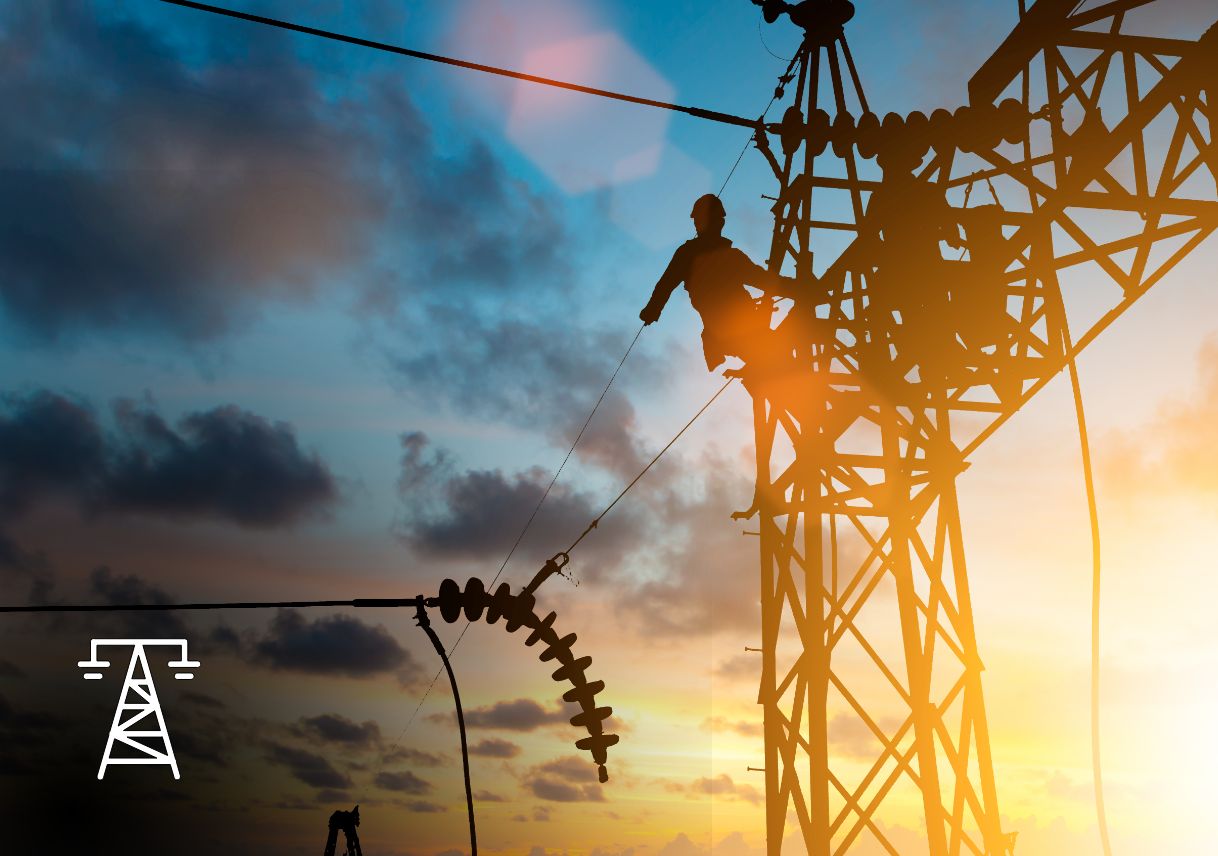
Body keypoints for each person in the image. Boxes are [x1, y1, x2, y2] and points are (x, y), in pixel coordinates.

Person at [640, 194, 797, 372]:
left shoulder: (702, 254)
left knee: (779, 362)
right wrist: (802, 289)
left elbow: (665, 285)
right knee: (779, 362)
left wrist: (652, 311)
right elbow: (765, 281)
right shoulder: (705, 255)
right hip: (737, 330)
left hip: (737, 328)